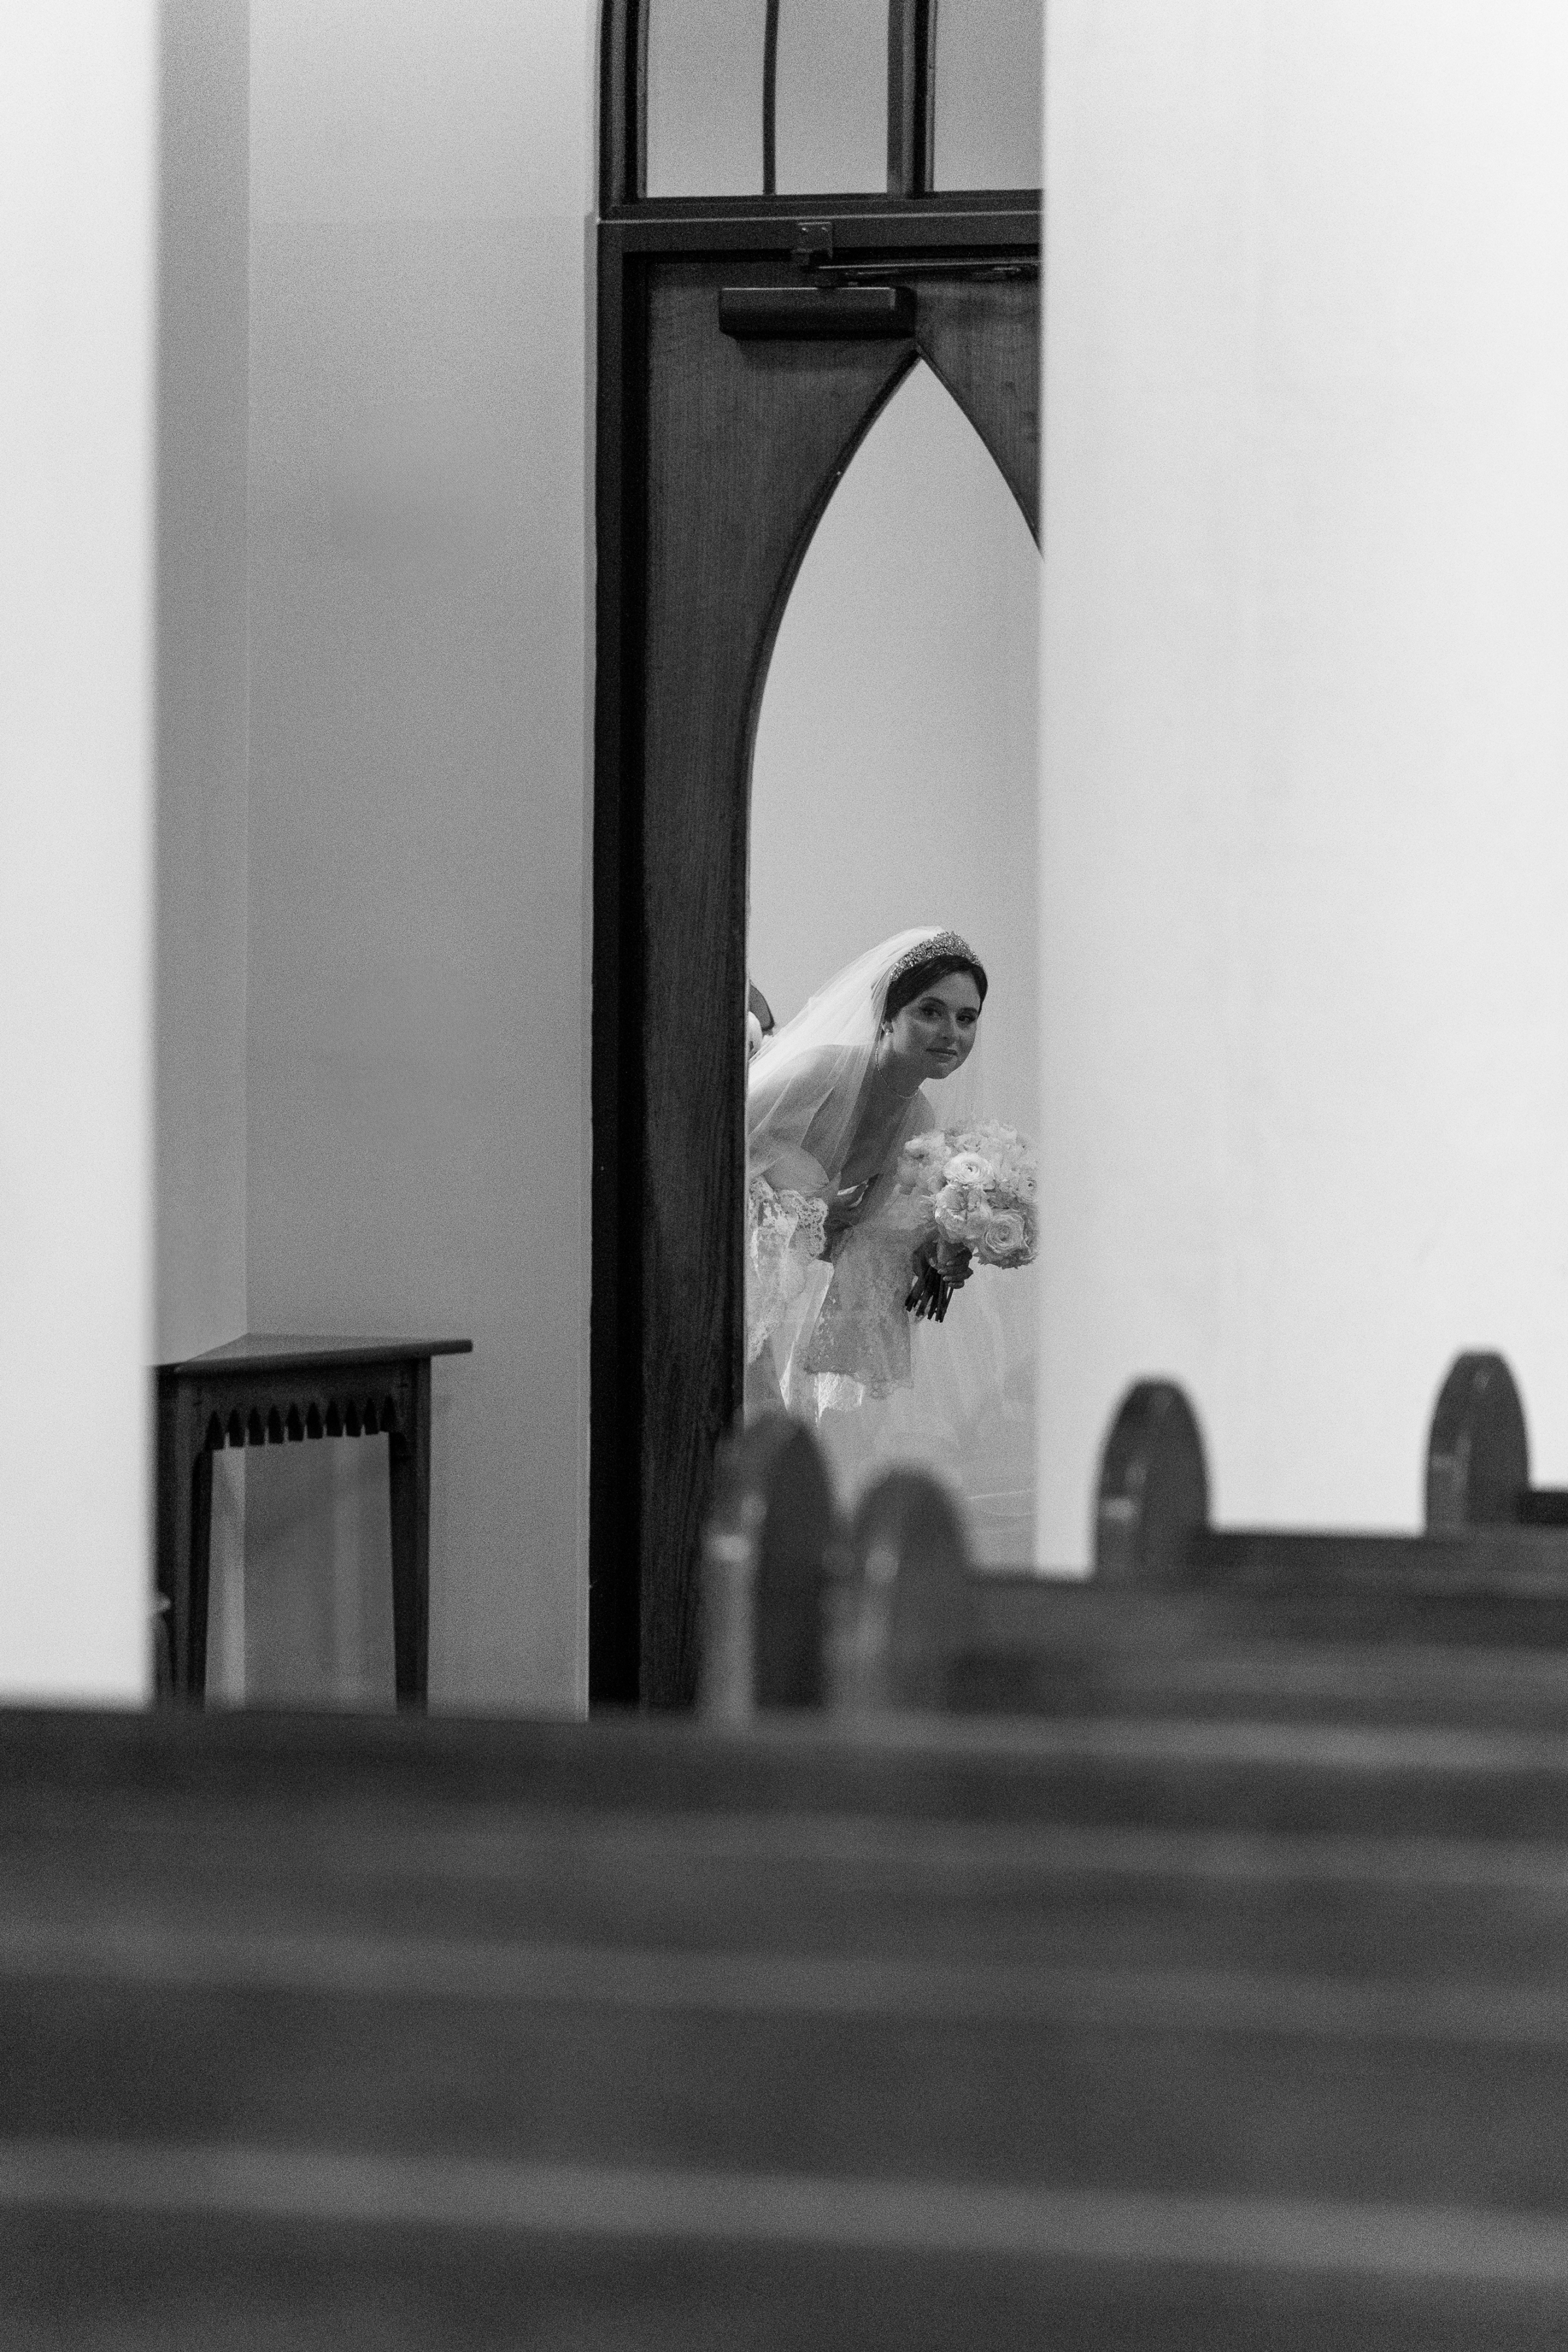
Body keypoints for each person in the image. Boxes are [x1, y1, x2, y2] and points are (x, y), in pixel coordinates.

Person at [745, 928, 988, 1419]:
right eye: (930, 1011)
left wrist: (935, 1251)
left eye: (966, 1018)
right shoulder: (819, 1075)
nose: (951, 1033)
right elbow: (708, 1158)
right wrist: (794, 1215)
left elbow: (857, 1238)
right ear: (886, 1016)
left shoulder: (918, 1121)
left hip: (765, 1300)